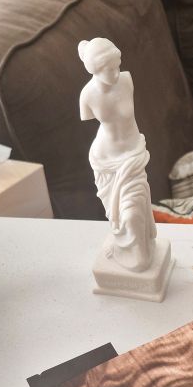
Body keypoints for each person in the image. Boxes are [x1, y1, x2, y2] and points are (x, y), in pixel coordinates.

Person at [78, 37, 156, 272]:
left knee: (134, 210)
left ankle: (140, 252)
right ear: (93, 69)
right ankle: (130, 251)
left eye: (116, 67)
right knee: (119, 215)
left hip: (132, 154)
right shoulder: (87, 96)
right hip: (105, 161)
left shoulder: (126, 80)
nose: (114, 73)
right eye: (107, 69)